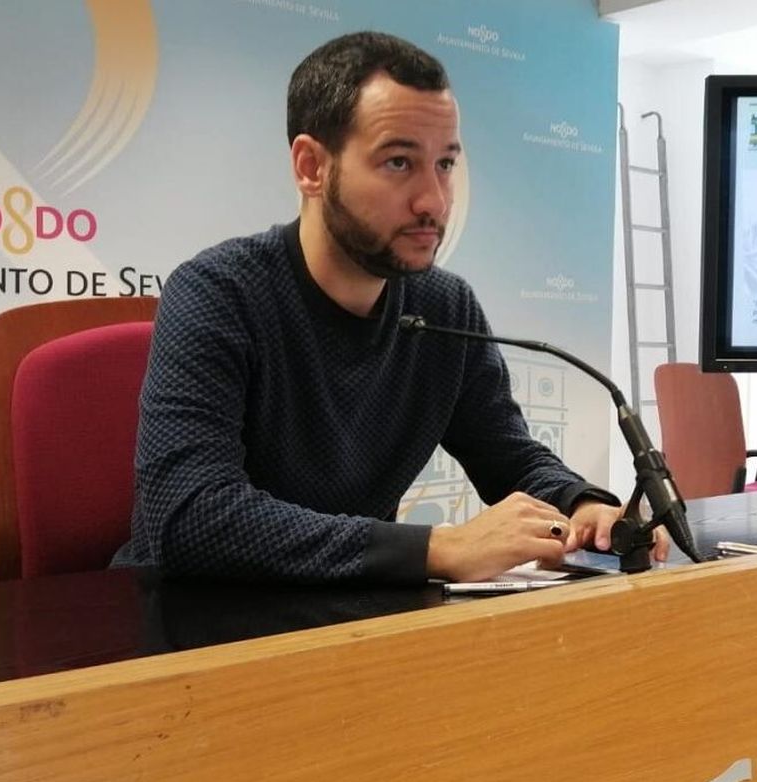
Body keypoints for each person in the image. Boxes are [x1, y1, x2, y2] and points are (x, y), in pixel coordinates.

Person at [114, 31, 666, 584]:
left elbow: (509, 455)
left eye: (445, 164)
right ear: (311, 166)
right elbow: (189, 515)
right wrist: (437, 548)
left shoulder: (446, 307)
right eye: (400, 162)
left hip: (354, 615)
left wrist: (582, 505)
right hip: (189, 628)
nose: (435, 200)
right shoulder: (218, 292)